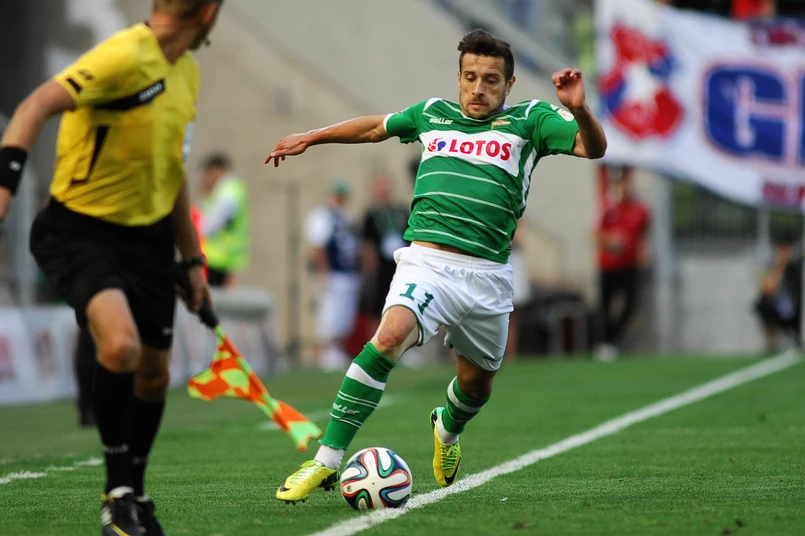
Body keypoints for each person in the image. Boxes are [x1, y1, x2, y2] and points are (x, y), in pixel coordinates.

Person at [265, 28, 607, 503]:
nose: (478, 88)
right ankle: (325, 460)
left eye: (490, 79)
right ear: (459, 77)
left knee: (476, 386)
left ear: (509, 84)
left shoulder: (531, 120)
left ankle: (447, 428)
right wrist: (312, 137)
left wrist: (580, 110)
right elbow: (375, 127)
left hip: (488, 277)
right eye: (470, 77)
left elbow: (593, 148)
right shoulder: (432, 114)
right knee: (388, 338)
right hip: (427, 264)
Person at [0, 1, 221, 534]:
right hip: (80, 231)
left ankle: (135, 494)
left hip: (148, 241)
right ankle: (117, 492)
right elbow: (33, 106)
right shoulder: (123, 57)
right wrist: (3, 194)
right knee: (120, 345)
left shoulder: (187, 72)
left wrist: (191, 260)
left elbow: (173, 170)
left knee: (155, 374)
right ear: (208, 12)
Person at [594, 166, 650, 361]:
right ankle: (604, 343)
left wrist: (643, 251)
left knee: (631, 305)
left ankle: (611, 340)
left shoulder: (641, 211)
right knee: (605, 306)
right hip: (609, 265)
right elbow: (595, 235)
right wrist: (611, 241)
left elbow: (643, 236)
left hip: (629, 265)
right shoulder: (609, 209)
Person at [305, 181, 361, 371]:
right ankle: (325, 352)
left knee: (343, 316)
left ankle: (336, 349)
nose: (341, 200)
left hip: (347, 273)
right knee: (329, 314)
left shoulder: (346, 216)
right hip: (332, 273)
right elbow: (317, 246)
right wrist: (323, 272)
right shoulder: (322, 216)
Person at [361, 174, 410, 334]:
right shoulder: (372, 214)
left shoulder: (401, 211)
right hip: (381, 267)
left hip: (400, 264)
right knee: (378, 304)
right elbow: (367, 242)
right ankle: (374, 341)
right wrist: (371, 266)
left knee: (402, 302)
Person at [198, 152, 249, 287]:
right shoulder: (231, 189)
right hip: (221, 258)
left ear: (215, 171)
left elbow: (210, 225)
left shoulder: (226, 192)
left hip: (216, 258)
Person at [754, 234, 802, 353]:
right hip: (777, 307)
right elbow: (769, 288)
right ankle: (771, 340)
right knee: (762, 303)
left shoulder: (796, 267)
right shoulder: (772, 266)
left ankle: (797, 338)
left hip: (795, 307)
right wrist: (781, 265)